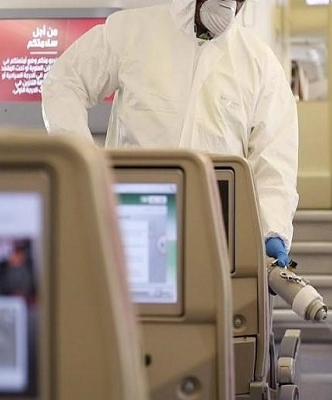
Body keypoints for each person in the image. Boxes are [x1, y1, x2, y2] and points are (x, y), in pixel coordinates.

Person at [41, 0, 298, 265]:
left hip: (214, 233)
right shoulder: (132, 31)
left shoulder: (260, 64)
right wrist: (84, 168)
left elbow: (274, 161)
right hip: (134, 223)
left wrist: (272, 229)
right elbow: (63, 83)